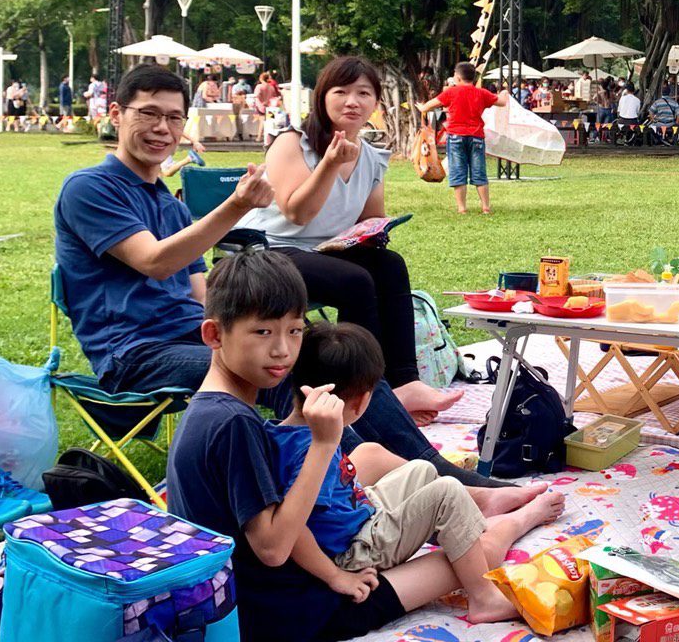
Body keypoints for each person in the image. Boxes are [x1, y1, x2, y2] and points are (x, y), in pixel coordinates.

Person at [53, 64, 494, 488]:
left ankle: (430, 468)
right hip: (135, 355)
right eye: (148, 114)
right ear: (116, 115)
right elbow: (155, 261)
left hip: (199, 334)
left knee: (335, 356)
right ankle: (366, 481)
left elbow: (197, 289)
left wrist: (261, 327)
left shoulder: (168, 204)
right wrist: (237, 207)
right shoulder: (91, 188)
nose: (161, 128)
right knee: (284, 371)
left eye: (173, 117)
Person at [167, 253, 563, 642]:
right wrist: (324, 444)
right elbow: (272, 548)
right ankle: (512, 534)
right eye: (263, 333)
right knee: (469, 556)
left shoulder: (214, 411)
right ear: (214, 335)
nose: (283, 350)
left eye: (295, 330)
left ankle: (490, 510)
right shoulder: (235, 425)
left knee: (382, 464)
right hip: (289, 611)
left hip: (257, 600)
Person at [266, 319, 562, 627]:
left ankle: (466, 521)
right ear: (359, 401)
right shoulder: (312, 449)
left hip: (355, 511)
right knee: (446, 491)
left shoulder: (284, 432)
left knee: (421, 469)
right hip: (354, 550)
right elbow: (295, 528)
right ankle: (483, 598)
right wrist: (336, 575)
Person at [237, 56, 467, 422]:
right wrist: (328, 164)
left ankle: (403, 382)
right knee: (356, 281)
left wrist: (374, 234)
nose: (352, 101)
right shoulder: (291, 144)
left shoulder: (372, 157)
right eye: (340, 91)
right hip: (268, 250)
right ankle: (363, 391)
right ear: (322, 98)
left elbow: (368, 218)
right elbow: (298, 213)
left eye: (364, 93)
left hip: (324, 252)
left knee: (389, 266)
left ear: (376, 102)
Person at [419, 61, 511, 216]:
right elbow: (502, 102)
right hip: (476, 137)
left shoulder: (451, 92)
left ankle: (462, 208)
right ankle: (486, 208)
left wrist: (421, 107)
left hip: (456, 136)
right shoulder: (481, 93)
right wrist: (504, 93)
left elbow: (429, 106)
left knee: (458, 171)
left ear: (458, 77)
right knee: (479, 172)